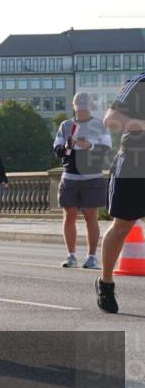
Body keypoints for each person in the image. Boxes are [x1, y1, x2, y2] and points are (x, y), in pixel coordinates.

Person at [95, 72, 145, 313]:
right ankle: (105, 282)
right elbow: (110, 119)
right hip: (134, 165)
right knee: (122, 226)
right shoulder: (139, 82)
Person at [53, 92, 111, 269]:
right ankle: (71, 256)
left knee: (90, 216)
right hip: (70, 176)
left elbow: (106, 149)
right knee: (69, 215)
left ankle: (92, 257)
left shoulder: (99, 125)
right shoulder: (66, 125)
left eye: (85, 109)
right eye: (79, 109)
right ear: (73, 106)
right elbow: (57, 151)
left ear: (91, 107)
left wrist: (90, 146)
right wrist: (68, 147)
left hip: (92, 177)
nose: (82, 112)